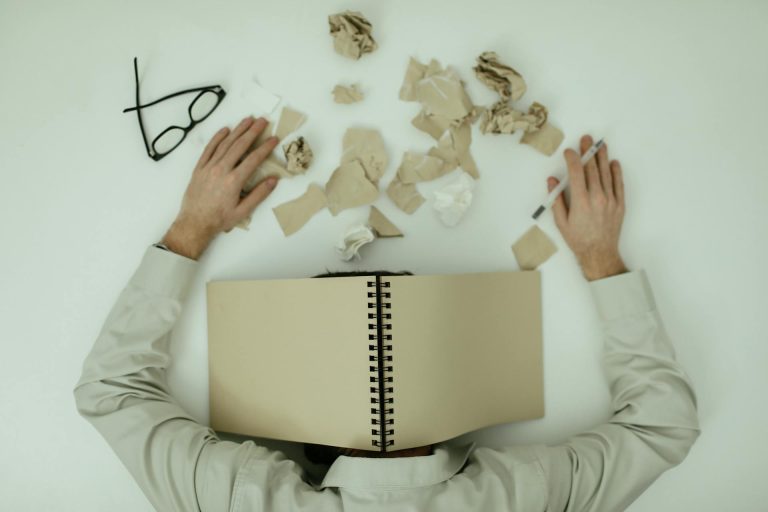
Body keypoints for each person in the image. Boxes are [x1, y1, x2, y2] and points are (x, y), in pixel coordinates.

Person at [74, 116, 700, 511]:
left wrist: (190, 231)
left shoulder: (243, 498)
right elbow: (663, 425)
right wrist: (599, 260)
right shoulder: (521, 495)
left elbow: (111, 393)